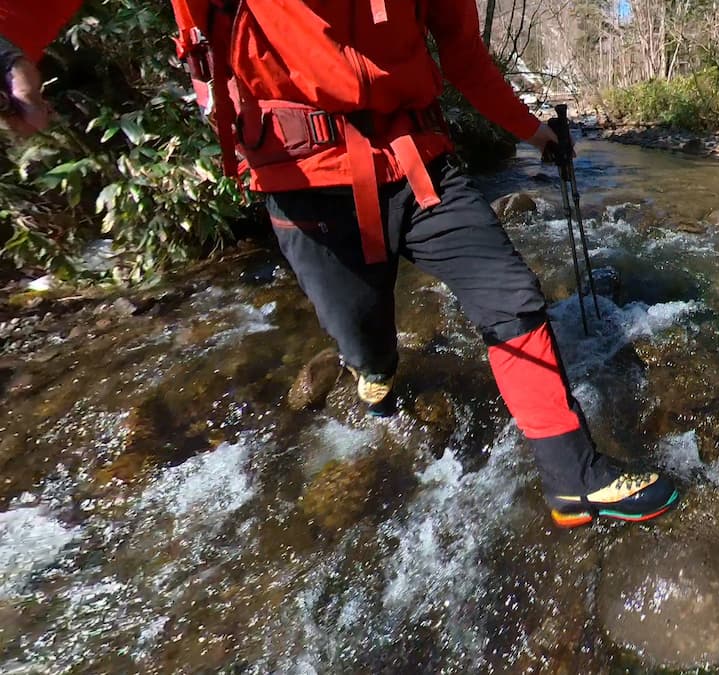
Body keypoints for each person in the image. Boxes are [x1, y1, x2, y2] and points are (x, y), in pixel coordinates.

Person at [0, 0, 678, 527]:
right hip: (299, 176)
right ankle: (375, 374)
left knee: (511, 295)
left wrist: (536, 132)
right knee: (366, 342)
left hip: (417, 159)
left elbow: (466, 58)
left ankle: (572, 476)